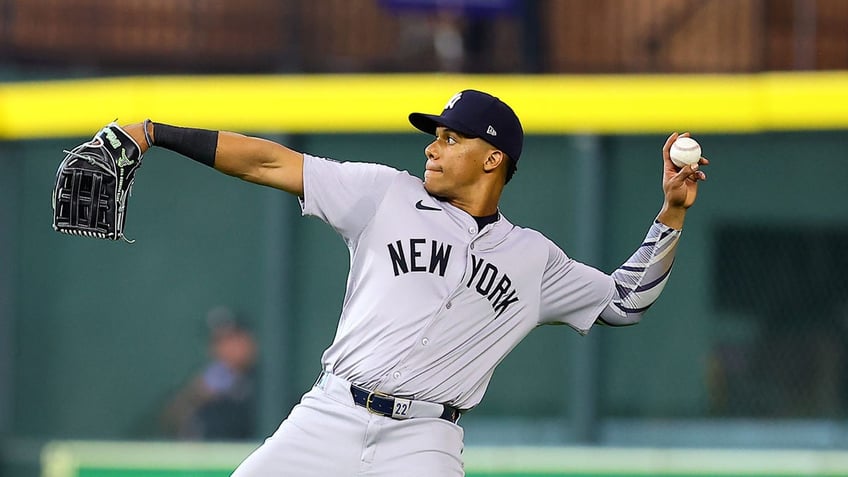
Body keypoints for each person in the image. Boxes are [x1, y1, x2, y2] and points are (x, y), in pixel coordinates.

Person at [120, 89, 707, 475]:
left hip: (425, 440)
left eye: (452, 139)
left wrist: (672, 212)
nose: (433, 147)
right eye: (436, 135)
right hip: (332, 413)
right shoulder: (384, 194)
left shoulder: (536, 260)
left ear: (492, 158)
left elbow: (626, 301)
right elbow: (270, 161)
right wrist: (155, 132)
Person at [160, 306, 258, 441]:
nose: (227, 348)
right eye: (218, 341)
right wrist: (195, 396)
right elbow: (170, 419)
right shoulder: (205, 382)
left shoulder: (270, 380)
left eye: (232, 338)